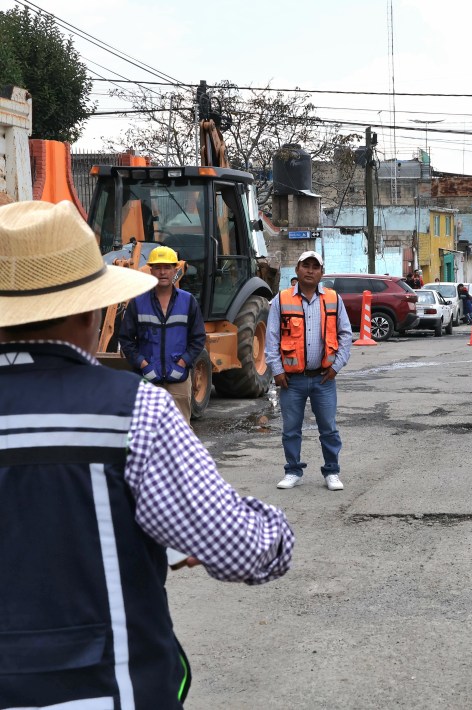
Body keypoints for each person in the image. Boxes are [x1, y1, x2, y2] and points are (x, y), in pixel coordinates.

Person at [0, 200, 294, 705]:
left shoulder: (182, 314)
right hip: (110, 689)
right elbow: (246, 548)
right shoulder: (135, 413)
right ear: (91, 311)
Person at [265, 251, 353, 491]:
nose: (310, 270)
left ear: (321, 273)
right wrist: (277, 370)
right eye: (306, 265)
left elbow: (346, 334)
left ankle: (332, 472)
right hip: (290, 380)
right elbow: (271, 338)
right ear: (297, 270)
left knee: (329, 429)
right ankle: (293, 470)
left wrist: (336, 366)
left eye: (316, 267)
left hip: (324, 378)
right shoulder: (282, 300)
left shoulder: (333, 299)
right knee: (291, 429)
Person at [118, 245, 206, 422]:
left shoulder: (188, 301)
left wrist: (182, 362)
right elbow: (126, 340)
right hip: (148, 379)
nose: (162, 272)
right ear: (151, 270)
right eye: (158, 267)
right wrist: (143, 364)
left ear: (175, 270)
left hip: (178, 379)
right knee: (148, 433)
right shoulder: (138, 302)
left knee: (180, 433)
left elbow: (198, 338)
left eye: (167, 267)